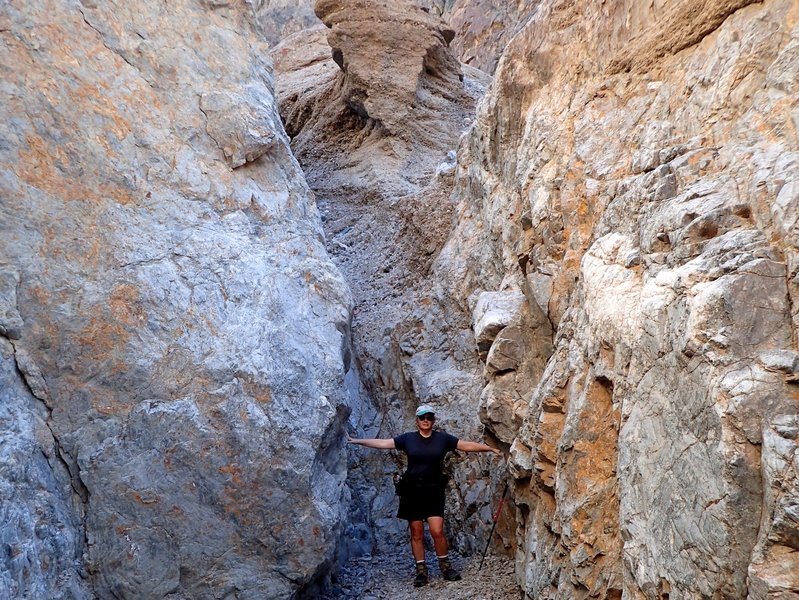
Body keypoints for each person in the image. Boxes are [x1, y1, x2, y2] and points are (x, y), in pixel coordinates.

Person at [348, 404, 502, 587]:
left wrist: (489, 449)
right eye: (422, 418)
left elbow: (465, 445)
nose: (426, 421)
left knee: (437, 530)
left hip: (434, 489)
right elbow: (383, 443)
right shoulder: (408, 439)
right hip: (412, 490)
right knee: (416, 532)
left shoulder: (443, 439)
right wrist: (357, 441)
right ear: (417, 421)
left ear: (433, 420)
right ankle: (421, 570)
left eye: (429, 417)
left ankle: (445, 566)